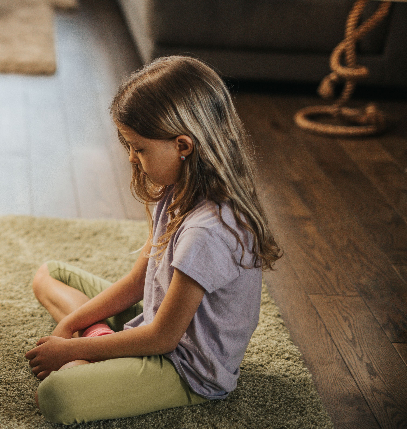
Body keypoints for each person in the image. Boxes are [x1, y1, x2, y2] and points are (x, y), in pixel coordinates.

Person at [25, 55, 283, 423]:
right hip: (154, 320)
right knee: (49, 274)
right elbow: (136, 282)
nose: (131, 158)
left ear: (183, 145)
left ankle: (94, 349)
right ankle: (98, 339)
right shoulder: (175, 191)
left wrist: (72, 351)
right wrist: (68, 330)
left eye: (139, 148)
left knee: (54, 396)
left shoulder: (207, 231)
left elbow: (163, 338)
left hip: (185, 368)